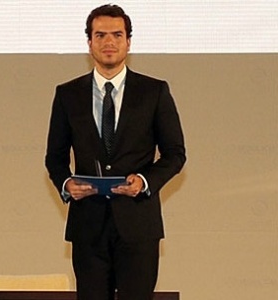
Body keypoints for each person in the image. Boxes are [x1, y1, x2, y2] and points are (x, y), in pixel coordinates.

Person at [44, 4, 186, 300]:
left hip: (138, 227)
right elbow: (54, 157)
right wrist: (67, 184)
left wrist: (144, 182)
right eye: (100, 35)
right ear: (89, 43)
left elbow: (174, 153)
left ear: (128, 42)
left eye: (117, 35)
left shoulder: (154, 91)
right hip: (87, 227)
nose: (109, 42)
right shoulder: (67, 94)